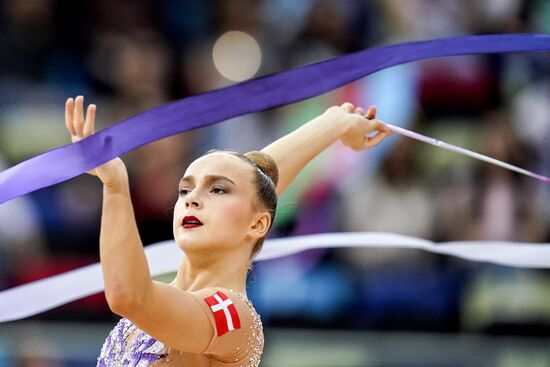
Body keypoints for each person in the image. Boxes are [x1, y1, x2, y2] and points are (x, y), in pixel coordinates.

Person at [64, 95, 391, 366]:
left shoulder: (234, 316)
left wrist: (116, 183)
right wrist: (335, 123)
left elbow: (128, 297)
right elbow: (258, 180)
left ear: (258, 224)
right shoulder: (170, 298)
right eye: (185, 190)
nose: (192, 199)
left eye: (217, 190)